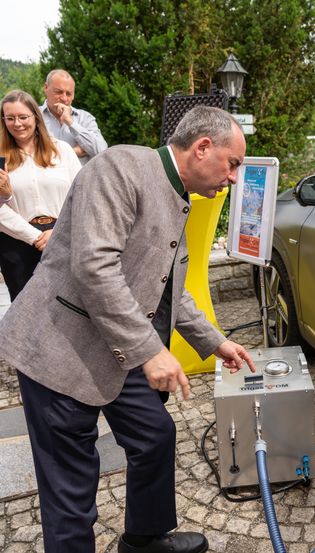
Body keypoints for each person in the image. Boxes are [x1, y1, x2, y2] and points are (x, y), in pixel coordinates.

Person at [0, 106, 256, 553]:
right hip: (60, 349)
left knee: (155, 434)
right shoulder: (121, 166)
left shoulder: (179, 197)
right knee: (70, 486)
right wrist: (150, 350)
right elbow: (94, 266)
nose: (233, 178)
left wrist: (215, 343)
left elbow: (169, 289)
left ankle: (144, 539)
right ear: (202, 148)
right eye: (232, 164)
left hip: (120, 347)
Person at [0, 89, 82, 300]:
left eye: (23, 117)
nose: (17, 124)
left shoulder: (62, 151)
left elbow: (81, 195)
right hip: (17, 243)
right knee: (24, 310)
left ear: (36, 117)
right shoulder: (1, 157)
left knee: (67, 306)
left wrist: (57, 231)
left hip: (62, 237)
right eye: (10, 118)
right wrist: (35, 236)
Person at [41, 69, 108, 165]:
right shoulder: (33, 116)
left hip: (81, 179)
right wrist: (73, 152)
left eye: (69, 94)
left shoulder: (85, 118)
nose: (64, 98)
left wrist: (70, 122)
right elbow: (30, 153)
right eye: (59, 92)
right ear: (46, 88)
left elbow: (102, 151)